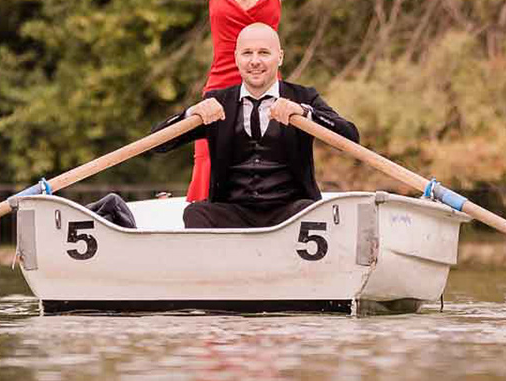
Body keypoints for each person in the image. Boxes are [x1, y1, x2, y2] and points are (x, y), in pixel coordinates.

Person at [66, 0, 423, 201]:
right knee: (211, 162)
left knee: (275, 157)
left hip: (267, 87)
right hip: (221, 86)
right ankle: (206, 223)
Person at [146, 22, 359, 229]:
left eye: (264, 53)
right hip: (233, 213)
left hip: (291, 213)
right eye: (247, 53)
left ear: (280, 57)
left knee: (312, 211)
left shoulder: (303, 97)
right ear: (236, 58)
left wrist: (305, 113)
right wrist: (190, 113)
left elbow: (350, 138)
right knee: (195, 212)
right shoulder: (217, 102)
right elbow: (156, 143)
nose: (255, 61)